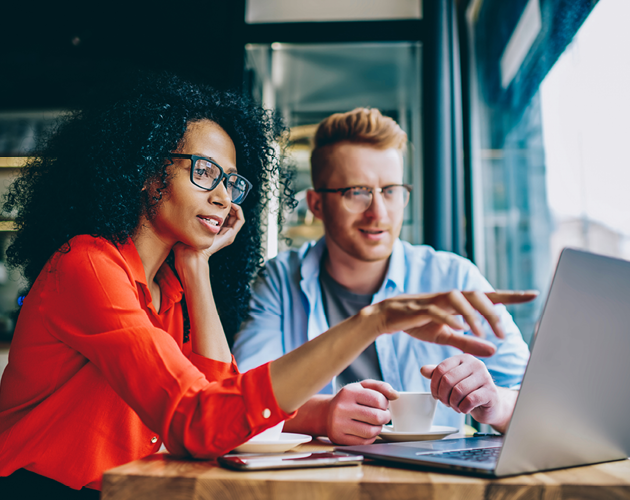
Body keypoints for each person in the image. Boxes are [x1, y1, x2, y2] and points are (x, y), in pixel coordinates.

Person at [0, 75, 534, 497]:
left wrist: (197, 268)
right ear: (144, 169)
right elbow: (200, 421)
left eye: (231, 182)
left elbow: (217, 402)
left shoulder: (169, 285)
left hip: (128, 490)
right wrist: (373, 321)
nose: (225, 199)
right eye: (205, 172)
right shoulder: (89, 266)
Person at [233, 108, 533, 445]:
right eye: (357, 192)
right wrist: (322, 414)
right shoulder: (279, 280)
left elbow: (538, 400)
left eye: (390, 190)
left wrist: (495, 404)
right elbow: (241, 400)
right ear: (316, 204)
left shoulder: (453, 277)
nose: (379, 212)